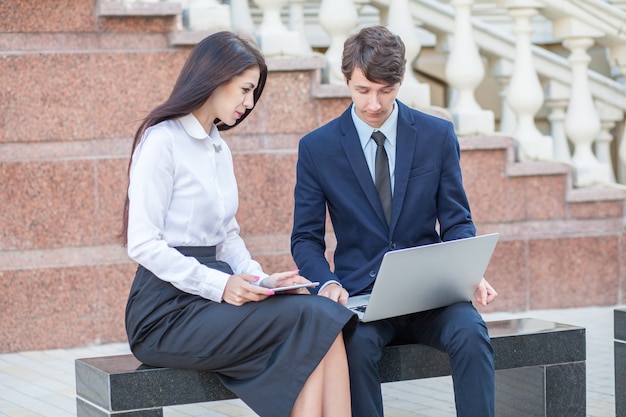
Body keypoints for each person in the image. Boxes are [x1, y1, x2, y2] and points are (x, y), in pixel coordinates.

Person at [120, 31, 357, 417]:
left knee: (323, 314)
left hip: (211, 296)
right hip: (165, 311)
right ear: (215, 77)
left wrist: (263, 282)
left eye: (253, 93)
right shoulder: (161, 141)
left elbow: (227, 237)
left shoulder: (217, 146)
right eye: (246, 90)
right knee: (313, 318)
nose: (249, 103)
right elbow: (143, 244)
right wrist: (221, 285)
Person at [291, 25, 498, 417]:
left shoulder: (438, 135)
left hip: (432, 296)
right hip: (361, 300)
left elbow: (456, 221)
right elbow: (305, 238)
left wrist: (470, 272)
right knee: (354, 350)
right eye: (363, 90)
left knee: (472, 335)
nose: (373, 103)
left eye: (386, 90)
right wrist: (327, 282)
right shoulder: (317, 148)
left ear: (400, 81)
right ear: (347, 80)